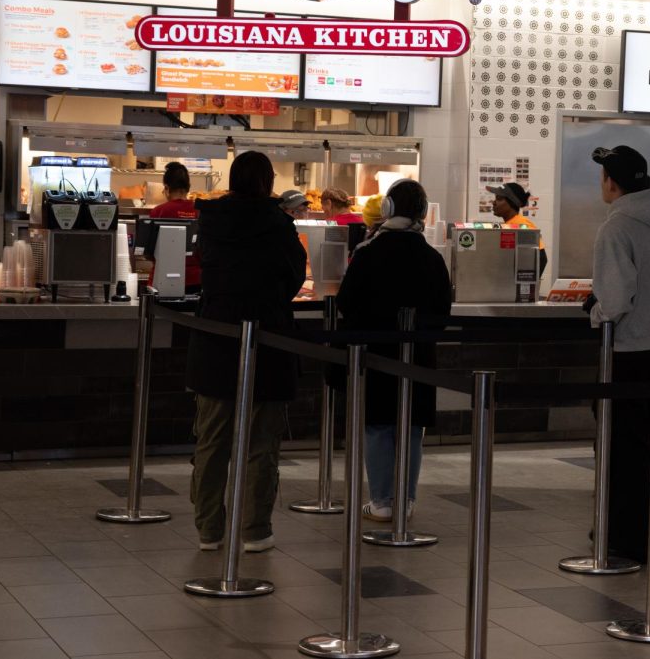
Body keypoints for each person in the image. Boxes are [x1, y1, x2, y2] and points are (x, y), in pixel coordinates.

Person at [185, 151, 307, 553]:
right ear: (268, 182)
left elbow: (204, 268)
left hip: (216, 337)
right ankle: (255, 530)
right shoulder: (279, 224)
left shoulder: (211, 220)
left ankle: (208, 529)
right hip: (269, 338)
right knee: (261, 441)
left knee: (212, 438)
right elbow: (293, 275)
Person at [586, 145, 650, 563]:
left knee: (616, 447)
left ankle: (618, 536)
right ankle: (642, 532)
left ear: (611, 182)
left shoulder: (616, 228)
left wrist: (594, 311)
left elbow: (614, 300)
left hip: (626, 351)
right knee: (646, 447)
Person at [335, 179, 452, 522]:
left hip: (376, 352)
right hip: (418, 354)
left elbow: (346, 303)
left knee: (378, 424)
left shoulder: (368, 252)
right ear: (422, 213)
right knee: (413, 427)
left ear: (386, 209)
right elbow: (442, 312)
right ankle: (406, 499)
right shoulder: (432, 257)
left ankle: (382, 500)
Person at [147, 161, 200, 293]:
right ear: (188, 188)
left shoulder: (158, 211)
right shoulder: (200, 211)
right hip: (196, 280)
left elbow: (149, 252)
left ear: (166, 187)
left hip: (163, 279)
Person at [486, 181, 548, 275]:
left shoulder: (522, 225)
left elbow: (542, 259)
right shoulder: (510, 224)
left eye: (499, 198)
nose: (494, 202)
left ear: (511, 202)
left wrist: (524, 285)